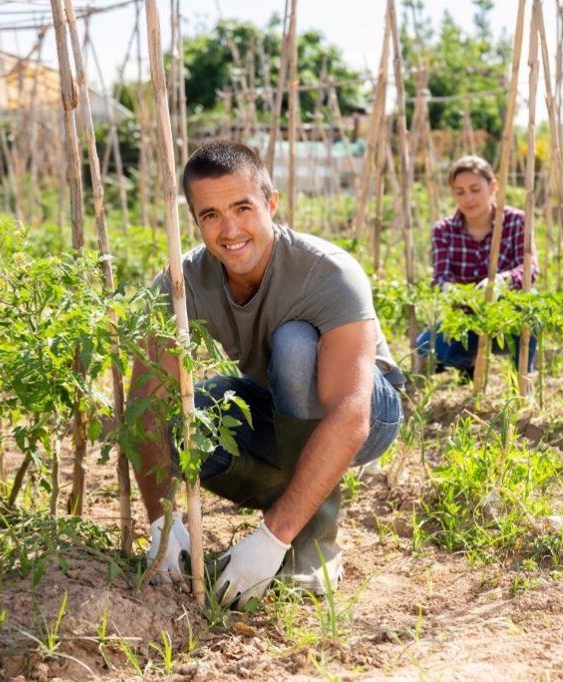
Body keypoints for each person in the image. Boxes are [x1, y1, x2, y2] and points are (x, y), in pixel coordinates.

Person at [131, 139, 405, 607]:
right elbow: (145, 402)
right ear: (195, 221)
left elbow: (352, 415)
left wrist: (271, 539)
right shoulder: (182, 284)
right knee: (194, 413)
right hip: (277, 413)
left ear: (271, 203)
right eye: (210, 215)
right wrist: (160, 518)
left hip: (365, 413)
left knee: (296, 344)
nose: (229, 229)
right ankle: (300, 492)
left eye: (243, 207)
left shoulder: (326, 272)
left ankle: (311, 547)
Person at [415, 155, 539, 378]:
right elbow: (441, 276)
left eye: (475, 189)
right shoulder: (444, 230)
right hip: (465, 321)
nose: (468, 198)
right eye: (459, 192)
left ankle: (522, 375)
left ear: (492, 187)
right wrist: (452, 290)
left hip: (505, 319)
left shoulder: (516, 221)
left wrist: (501, 282)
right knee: (426, 348)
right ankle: (465, 366)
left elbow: (530, 269)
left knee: (532, 304)